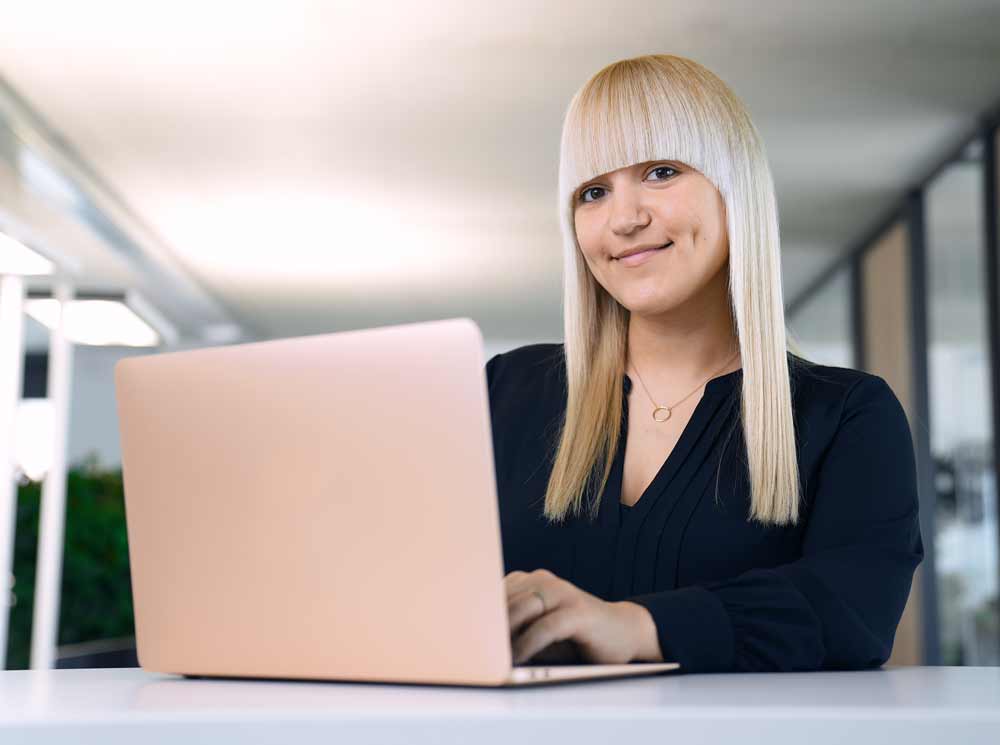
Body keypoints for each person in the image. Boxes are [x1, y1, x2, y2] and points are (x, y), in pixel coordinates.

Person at [489, 54, 924, 673]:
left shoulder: (847, 415)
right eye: (593, 192)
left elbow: (852, 610)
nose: (625, 218)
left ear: (733, 189)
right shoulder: (505, 392)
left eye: (661, 172)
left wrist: (634, 626)